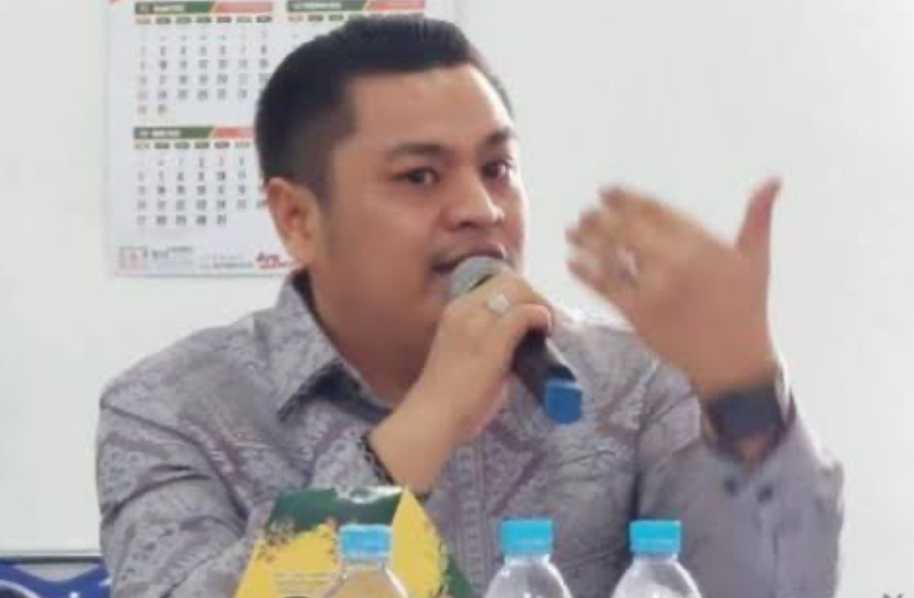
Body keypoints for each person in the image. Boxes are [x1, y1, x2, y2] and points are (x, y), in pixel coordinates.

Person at [96, 16, 843, 598]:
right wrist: (424, 426)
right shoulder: (171, 407)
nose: (481, 209)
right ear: (298, 219)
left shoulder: (632, 383)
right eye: (420, 177)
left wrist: (745, 395)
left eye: (498, 168)